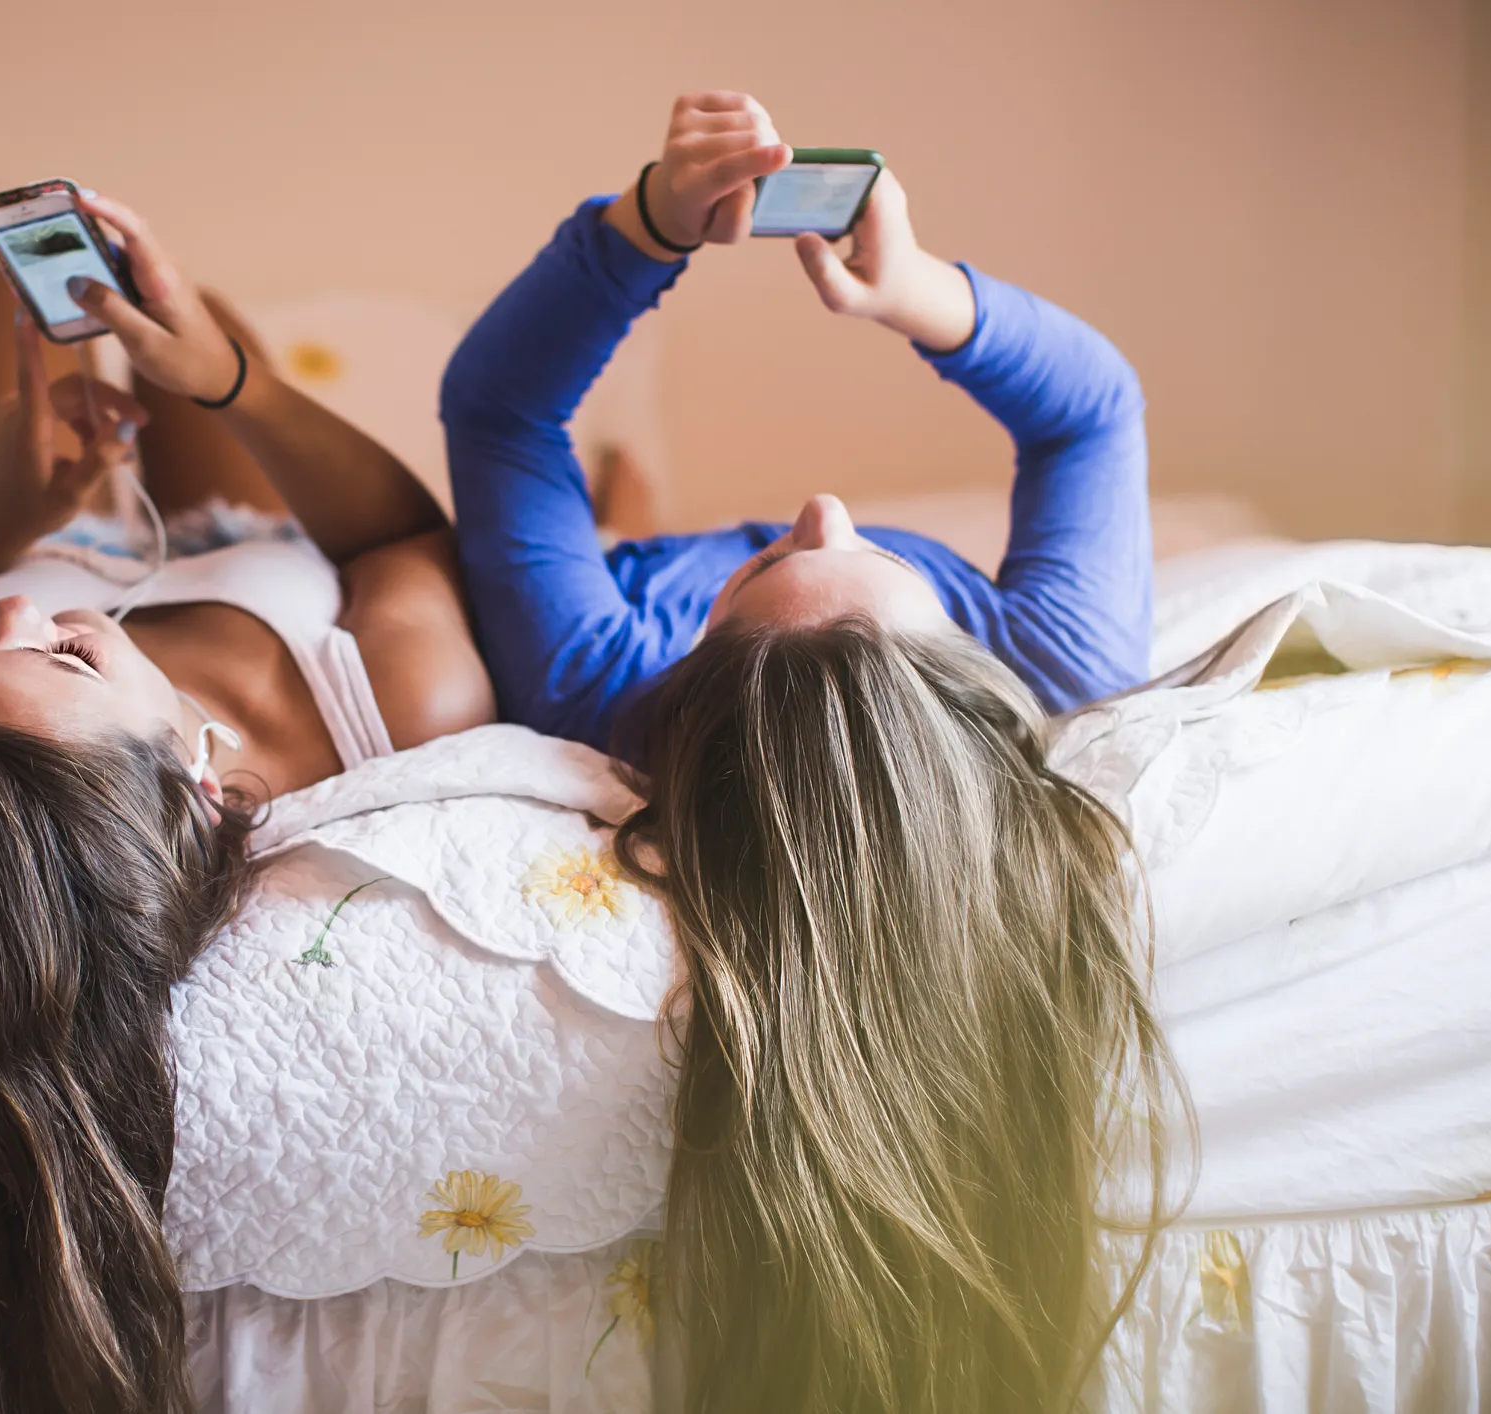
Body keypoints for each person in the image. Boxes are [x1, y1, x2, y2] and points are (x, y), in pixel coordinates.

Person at [440, 93, 1184, 1413]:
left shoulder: (606, 677)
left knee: (575, 502)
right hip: (658, 546)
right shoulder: (1048, 660)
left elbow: (498, 413)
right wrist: (920, 295)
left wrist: (645, 229)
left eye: (783, 558)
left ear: (695, 676)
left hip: (621, 570)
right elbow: (1092, 413)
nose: (820, 503)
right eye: (867, 554)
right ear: (961, 675)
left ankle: (631, 503)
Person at [0, 194, 494, 1414]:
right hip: (257, 547)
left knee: (3, 303)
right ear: (195, 774)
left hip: (28, 520)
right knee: (184, 324)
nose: (12, 620)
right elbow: (404, 530)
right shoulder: (395, 702)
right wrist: (229, 381)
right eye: (62, 661)